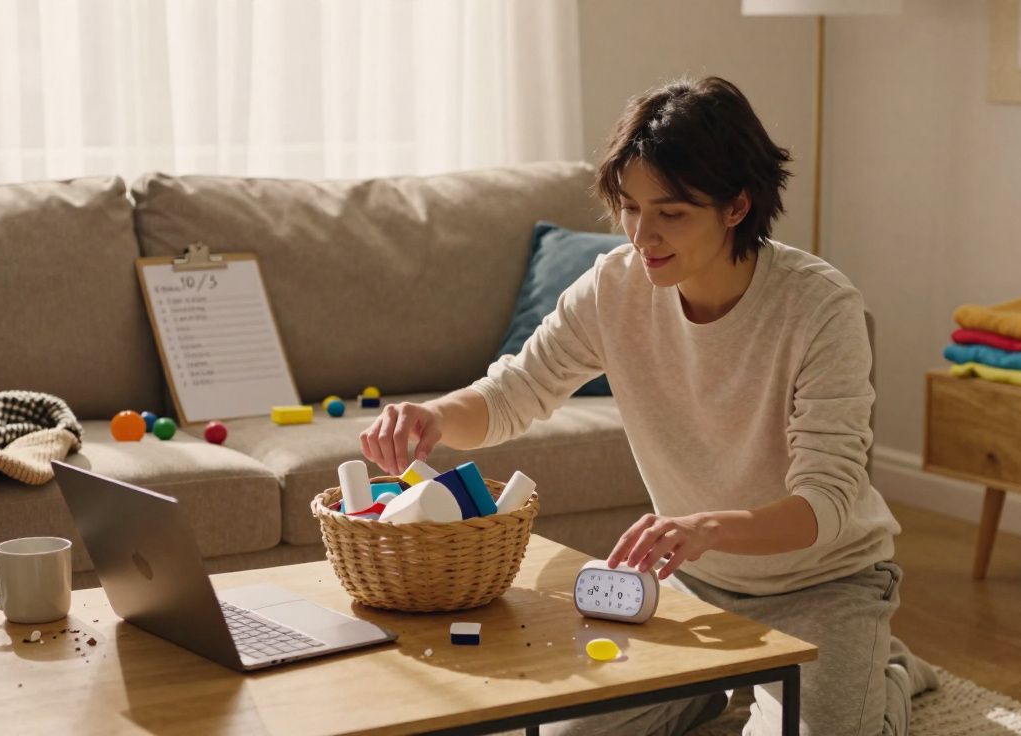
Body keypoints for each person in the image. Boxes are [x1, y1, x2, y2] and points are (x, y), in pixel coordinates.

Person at [359, 76, 937, 735]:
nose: (642, 235)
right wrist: (434, 418)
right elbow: (515, 393)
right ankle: (723, 689)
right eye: (630, 208)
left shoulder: (820, 309)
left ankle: (886, 672)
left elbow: (828, 504)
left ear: (737, 207)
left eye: (671, 213)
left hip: (824, 588)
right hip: (691, 588)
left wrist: (702, 529)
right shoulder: (615, 288)